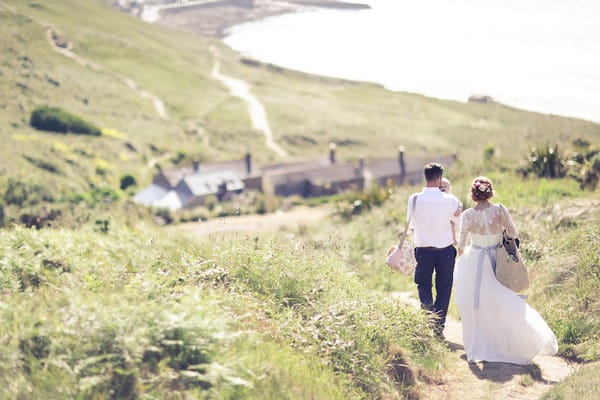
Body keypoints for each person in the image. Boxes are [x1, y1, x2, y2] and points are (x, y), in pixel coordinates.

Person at [454, 177, 558, 364]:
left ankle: (481, 346)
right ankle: (509, 343)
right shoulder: (500, 210)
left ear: (473, 194)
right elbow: (513, 234)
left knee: (478, 304)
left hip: (476, 261)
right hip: (499, 260)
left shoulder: (468, 215)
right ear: (490, 192)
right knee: (503, 300)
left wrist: (464, 258)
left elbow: (460, 245)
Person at [408, 163, 461, 339]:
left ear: (426, 177)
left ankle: (428, 316)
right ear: (439, 178)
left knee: (423, 285)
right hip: (445, 250)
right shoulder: (450, 200)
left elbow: (412, 224)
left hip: (423, 249)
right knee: (444, 288)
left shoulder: (414, 199)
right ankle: (438, 327)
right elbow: (457, 221)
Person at [439, 177, 461, 245]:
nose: (443, 188)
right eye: (440, 187)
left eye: (445, 186)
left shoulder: (451, 197)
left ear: (450, 188)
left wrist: (459, 208)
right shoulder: (438, 197)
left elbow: (459, 203)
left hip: (451, 216)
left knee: (452, 224)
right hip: (441, 216)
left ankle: (454, 239)